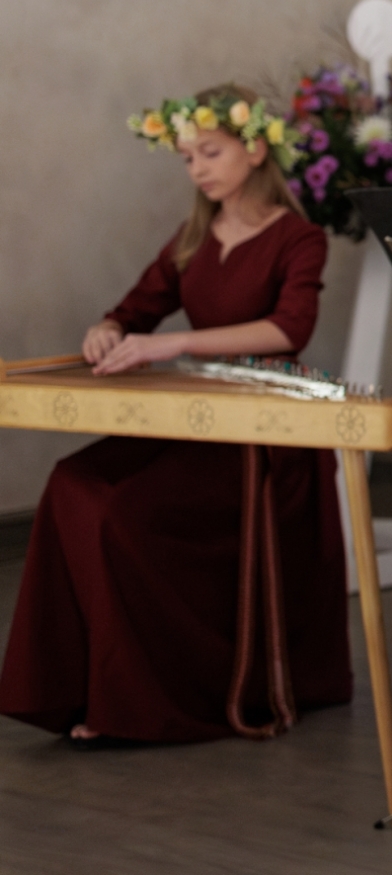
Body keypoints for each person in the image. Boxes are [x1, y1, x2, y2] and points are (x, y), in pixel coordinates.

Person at [0, 85, 351, 746]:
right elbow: (134, 308)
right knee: (74, 485)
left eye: (209, 152)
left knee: (122, 510)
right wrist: (107, 328)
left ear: (255, 148)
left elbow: (287, 328)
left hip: (261, 436)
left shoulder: (298, 237)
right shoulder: (194, 235)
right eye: (188, 158)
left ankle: (138, 702)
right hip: (197, 419)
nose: (197, 169)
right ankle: (80, 690)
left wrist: (177, 341)